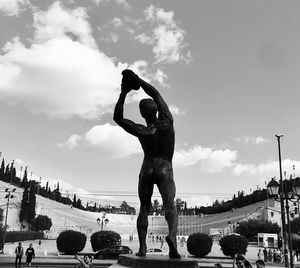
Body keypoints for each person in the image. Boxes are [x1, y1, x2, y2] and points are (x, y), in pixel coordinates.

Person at [113, 69, 180, 259]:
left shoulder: (142, 130)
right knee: (170, 204)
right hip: (165, 169)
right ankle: (172, 237)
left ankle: (142, 248)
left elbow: (118, 118)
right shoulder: (167, 122)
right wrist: (139, 80)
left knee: (144, 207)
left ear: (142, 114)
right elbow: (156, 93)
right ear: (157, 110)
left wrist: (124, 91)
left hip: (147, 169)